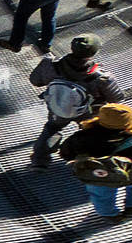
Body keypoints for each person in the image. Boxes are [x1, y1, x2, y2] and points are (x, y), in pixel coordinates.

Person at [57, 101, 132, 218]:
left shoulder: (81, 137)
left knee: (101, 196)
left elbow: (65, 153)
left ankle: (109, 214)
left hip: (99, 176)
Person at [30, 36, 124, 164]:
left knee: (52, 128)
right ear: (93, 53)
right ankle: (84, 159)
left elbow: (35, 81)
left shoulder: (50, 64)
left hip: (58, 107)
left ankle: (39, 159)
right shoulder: (102, 78)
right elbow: (116, 98)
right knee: (90, 133)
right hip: (89, 112)